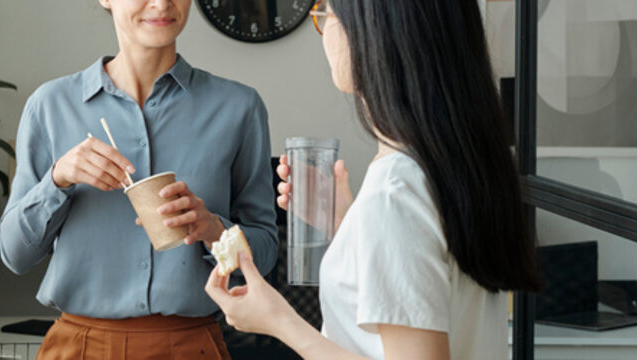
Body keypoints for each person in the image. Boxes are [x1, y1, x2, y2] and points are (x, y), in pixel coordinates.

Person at [205, 0, 545, 359]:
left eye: (325, 15)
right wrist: (346, 224)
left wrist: (279, 322)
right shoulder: (455, 170)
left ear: (371, 34)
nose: (324, 34)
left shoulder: (394, 195)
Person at [0, 0, 277, 358]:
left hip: (191, 348)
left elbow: (265, 253)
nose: (161, 3)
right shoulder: (50, 105)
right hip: (77, 348)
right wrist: (58, 180)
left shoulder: (239, 107)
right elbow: (15, 255)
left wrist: (212, 230)